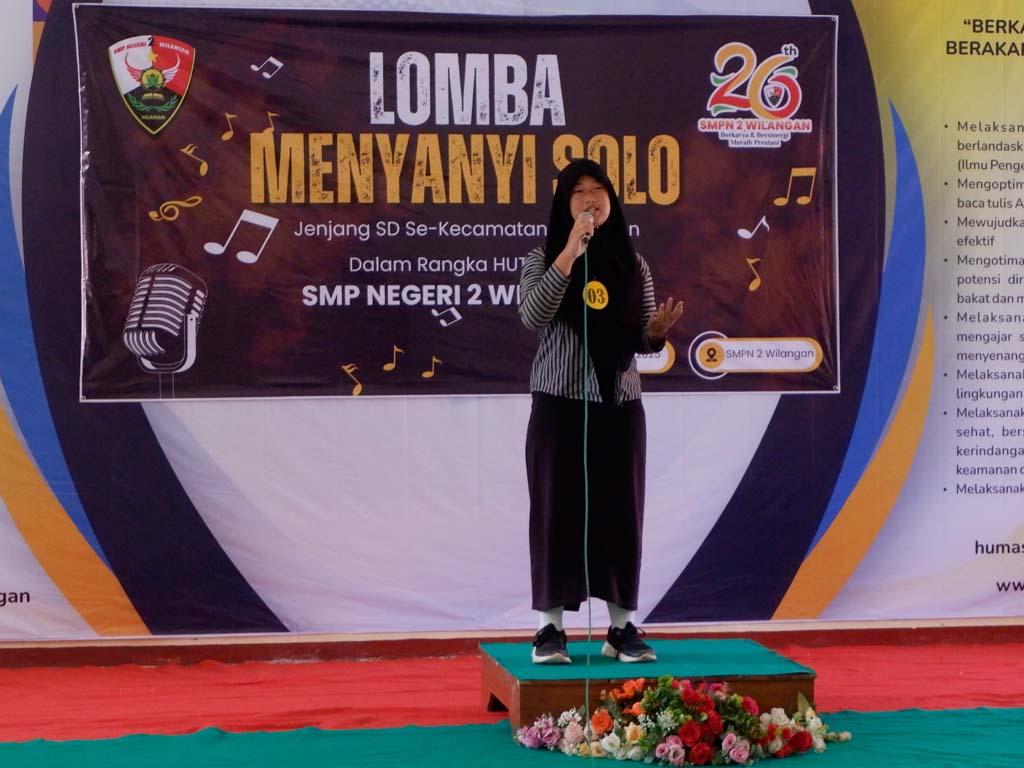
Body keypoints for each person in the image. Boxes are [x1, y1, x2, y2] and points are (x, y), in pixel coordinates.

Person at [519, 158, 684, 664]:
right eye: (579, 191)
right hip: (560, 404)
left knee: (620, 514)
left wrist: (655, 334)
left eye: (599, 190)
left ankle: (621, 628)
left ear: (612, 199)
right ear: (564, 204)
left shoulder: (634, 266)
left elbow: (641, 341)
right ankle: (550, 629)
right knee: (556, 512)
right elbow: (533, 315)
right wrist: (570, 253)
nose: (590, 199)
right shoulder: (541, 257)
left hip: (620, 405)